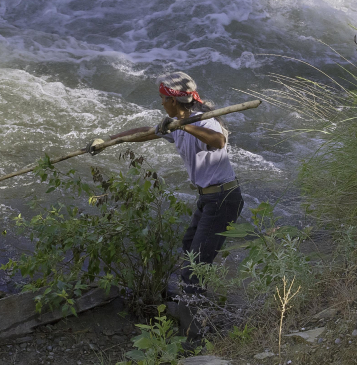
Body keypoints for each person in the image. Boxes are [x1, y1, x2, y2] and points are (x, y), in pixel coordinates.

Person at [85, 71, 244, 294]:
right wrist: (109, 141)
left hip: (222, 198)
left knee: (195, 266)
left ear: (172, 100)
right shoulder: (177, 124)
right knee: (189, 248)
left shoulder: (204, 120)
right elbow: (145, 133)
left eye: (163, 99)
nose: (161, 103)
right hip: (209, 197)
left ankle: (195, 317)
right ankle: (194, 302)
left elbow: (219, 141)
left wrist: (183, 125)